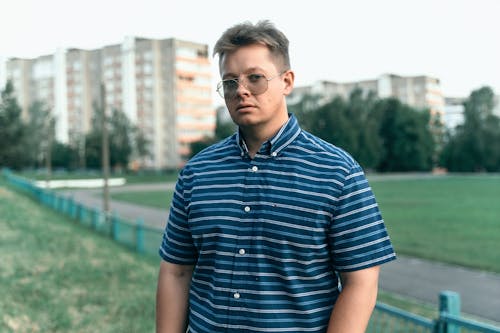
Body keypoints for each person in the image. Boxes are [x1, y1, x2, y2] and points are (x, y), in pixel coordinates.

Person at [156, 20, 396, 333]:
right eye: (230, 82)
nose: (241, 90)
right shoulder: (196, 173)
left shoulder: (338, 172)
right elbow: (176, 272)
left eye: (255, 78)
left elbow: (361, 281)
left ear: (287, 81)